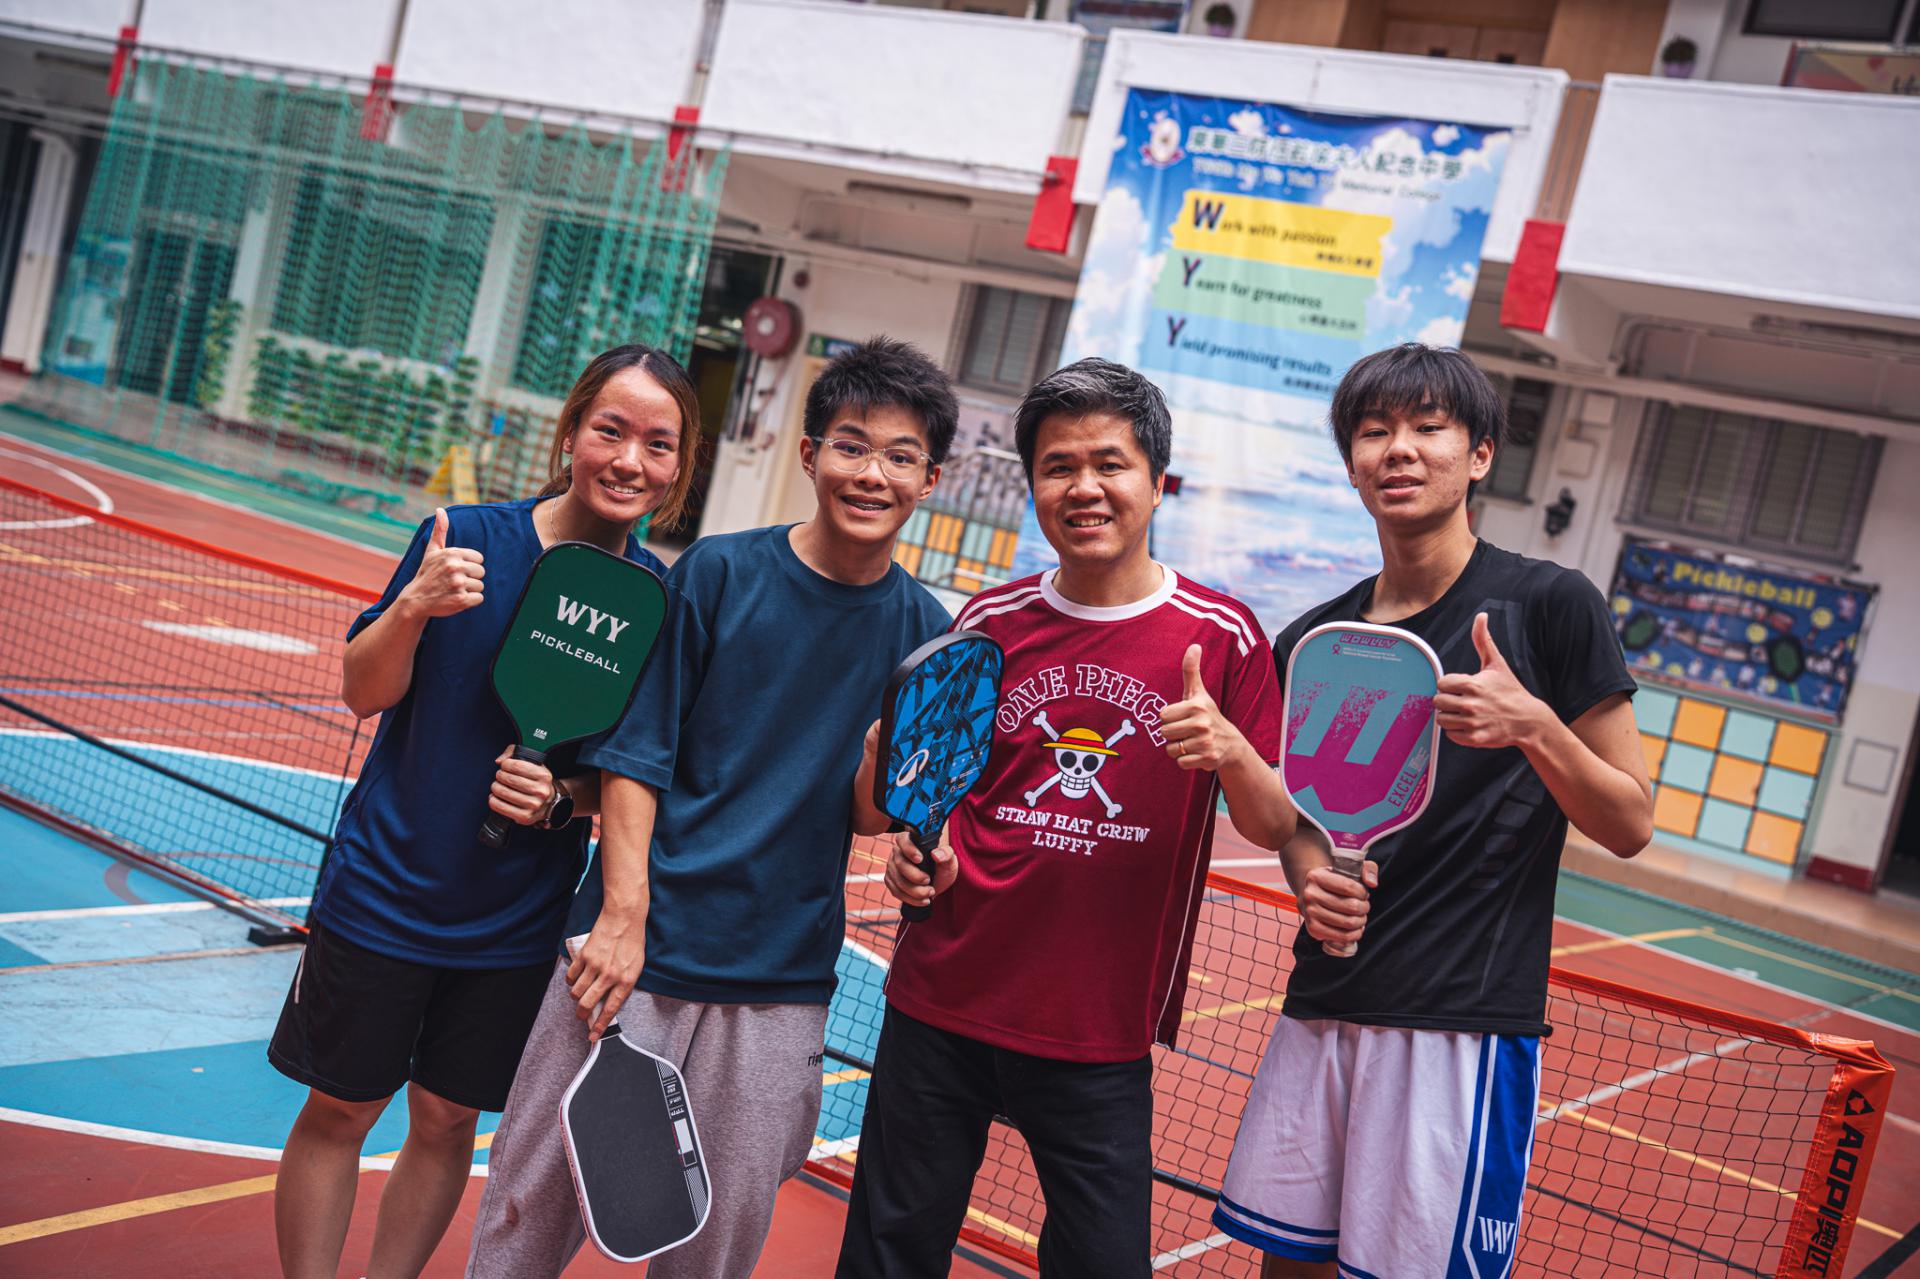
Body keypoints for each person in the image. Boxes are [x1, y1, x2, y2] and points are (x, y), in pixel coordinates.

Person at [466, 336, 958, 1279]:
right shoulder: (718, 574)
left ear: (929, 478)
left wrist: (876, 775)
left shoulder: (926, 634)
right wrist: (622, 917)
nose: (873, 473)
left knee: (715, 1247)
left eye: (901, 457)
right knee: (529, 1209)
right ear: (810, 454)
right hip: (632, 954)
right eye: (852, 446)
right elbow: (636, 756)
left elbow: (868, 814)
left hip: (779, 979)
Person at [836, 358, 1295, 1279]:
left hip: (1097, 1029)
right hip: (943, 999)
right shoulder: (990, 618)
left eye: (1109, 464)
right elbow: (937, 796)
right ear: (1034, 486)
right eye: (1058, 467)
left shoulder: (1225, 635)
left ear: (1157, 483)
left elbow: (1277, 823)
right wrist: (928, 854)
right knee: (888, 1257)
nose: (1084, 487)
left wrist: (1231, 751)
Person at [1211, 343, 1654, 1278]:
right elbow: (1303, 824)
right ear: (1352, 464)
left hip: (1459, 1028)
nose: (1399, 450)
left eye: (1428, 427)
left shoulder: (1550, 606)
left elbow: (1629, 822)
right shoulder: (1315, 638)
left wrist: (1534, 724)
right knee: (1286, 1268)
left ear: (1480, 454)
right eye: (1374, 432)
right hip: (1324, 1006)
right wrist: (1314, 883)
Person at [268, 344, 701, 1279]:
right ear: (571, 433)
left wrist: (559, 799)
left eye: (658, 444)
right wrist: (413, 608)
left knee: (447, 1118)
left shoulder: (655, 601)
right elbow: (361, 692)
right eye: (611, 431)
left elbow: (627, 775)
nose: (630, 460)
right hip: (384, 890)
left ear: (679, 465)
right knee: (341, 1108)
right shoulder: (461, 537)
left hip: (513, 922)